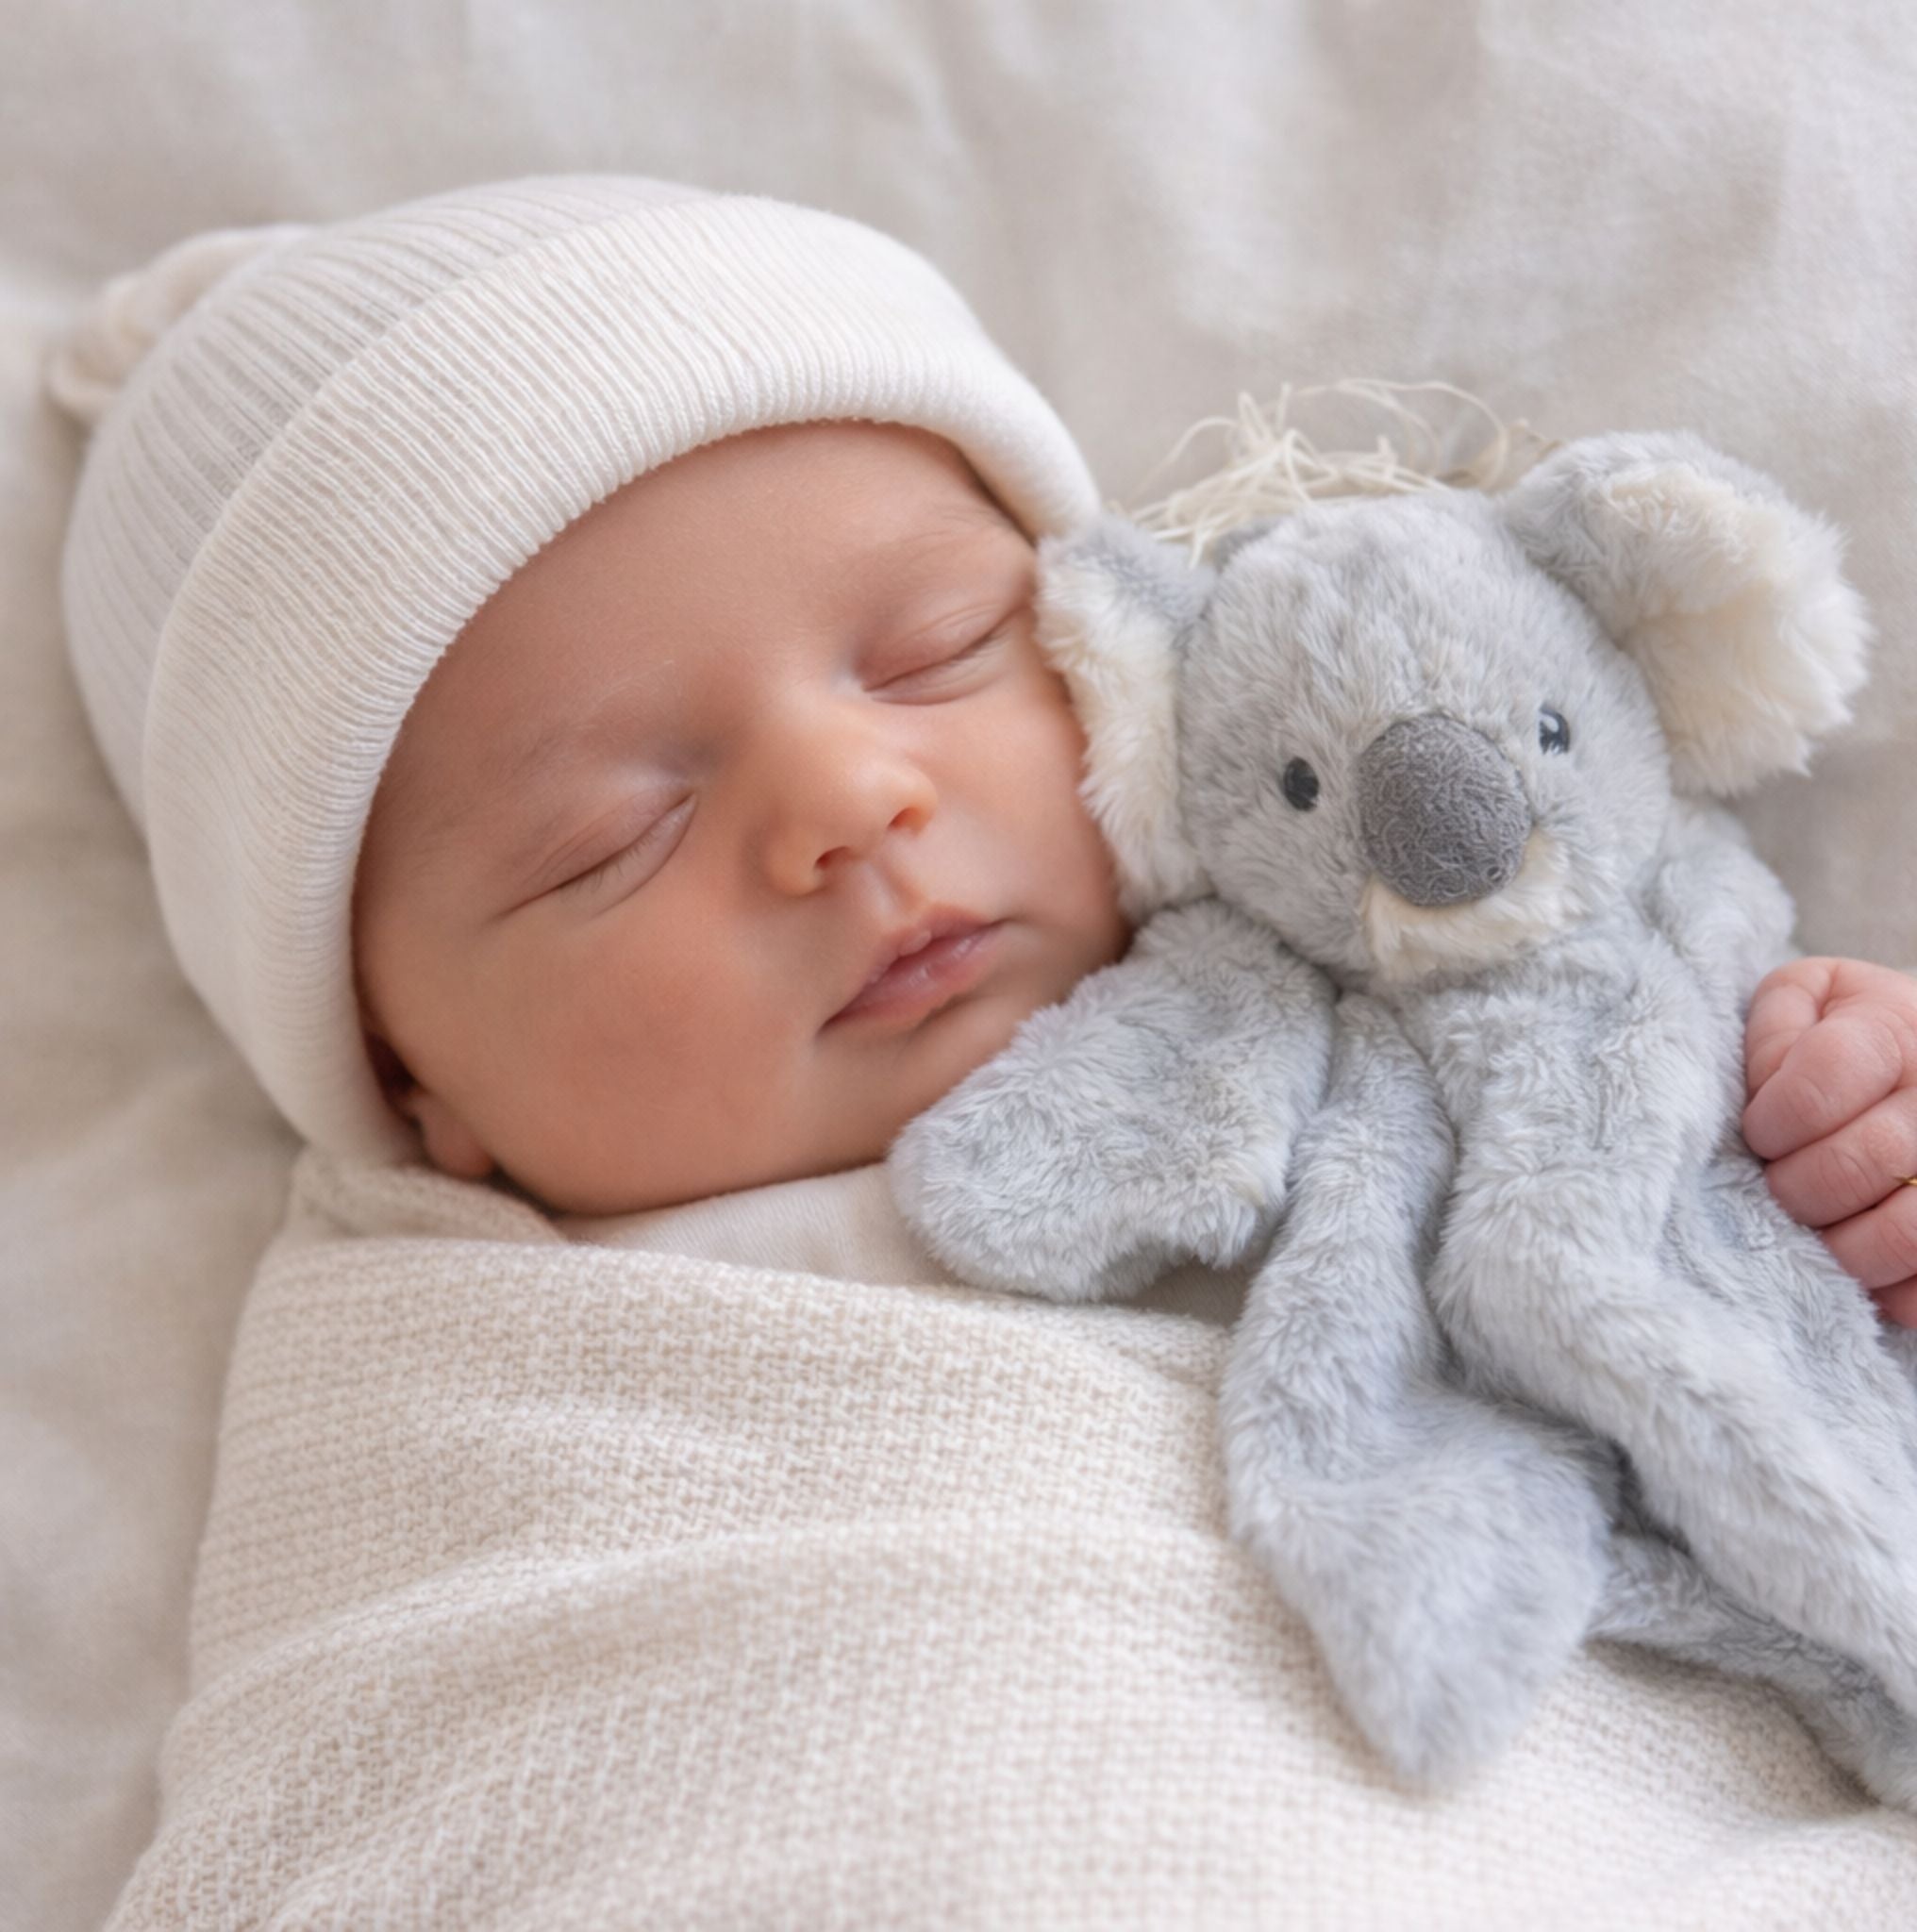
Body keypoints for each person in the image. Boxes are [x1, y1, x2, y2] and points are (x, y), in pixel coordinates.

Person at [50, 173, 1917, 1324]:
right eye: (604, 838)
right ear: (403, 1079)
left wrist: (1848, 1154)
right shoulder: (441, 1348)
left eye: (935, 653)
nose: (851, 805)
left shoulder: (1419, 1001)